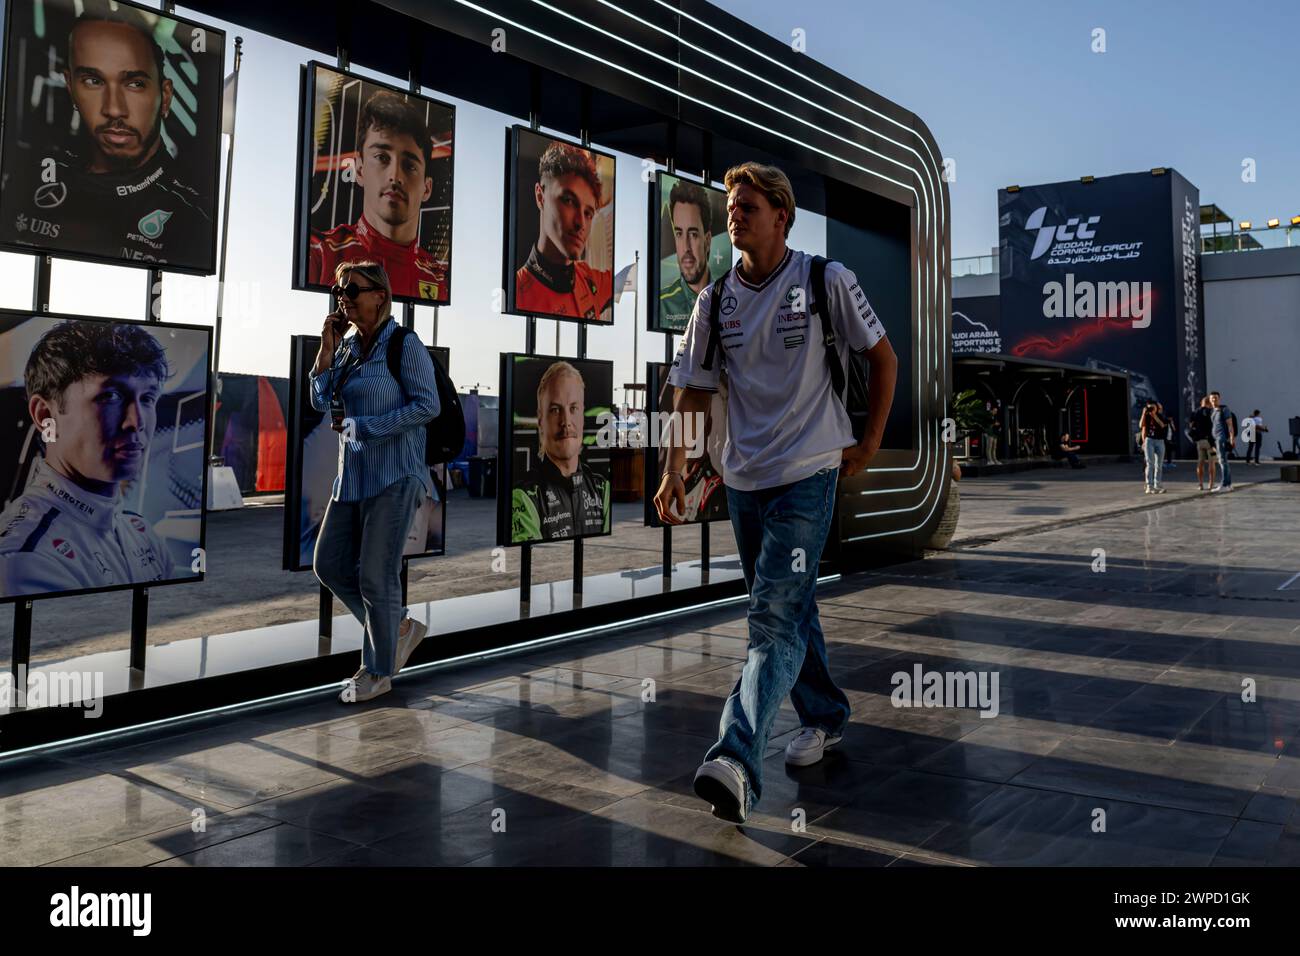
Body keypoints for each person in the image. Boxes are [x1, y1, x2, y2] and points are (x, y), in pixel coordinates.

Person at [655, 161, 898, 824]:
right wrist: (677, 467)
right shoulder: (713, 300)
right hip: (743, 479)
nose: (734, 216)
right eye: (731, 208)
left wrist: (868, 442)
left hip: (810, 471)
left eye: (747, 208)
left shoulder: (825, 279)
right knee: (788, 608)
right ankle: (825, 713)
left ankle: (735, 758)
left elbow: (883, 358)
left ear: (781, 216)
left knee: (771, 616)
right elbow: (691, 388)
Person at [309, 260, 440, 703]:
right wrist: (326, 349)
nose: (342, 297)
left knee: (376, 576)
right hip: (352, 476)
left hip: (396, 474)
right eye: (339, 289)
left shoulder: (405, 344)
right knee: (327, 563)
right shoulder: (346, 350)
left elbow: (427, 407)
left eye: (352, 289)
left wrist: (367, 427)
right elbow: (318, 399)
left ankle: (378, 671)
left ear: (380, 295)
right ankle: (399, 626)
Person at [3, 9, 212, 265]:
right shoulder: (25, 176)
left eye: (135, 83)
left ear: (165, 96)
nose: (114, 108)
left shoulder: (194, 218)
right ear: (70, 88)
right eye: (93, 81)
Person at [0, 320, 176, 597]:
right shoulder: (25, 560)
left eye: (148, 398)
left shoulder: (143, 534)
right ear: (45, 416)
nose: (136, 422)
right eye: (112, 396)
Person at [308, 91, 449, 301]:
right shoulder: (319, 253)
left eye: (409, 165)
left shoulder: (439, 278)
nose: (395, 176)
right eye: (382, 157)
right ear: (360, 169)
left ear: (427, 188)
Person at [510, 361, 611, 541]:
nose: (566, 421)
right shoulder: (524, 496)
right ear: (540, 421)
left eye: (573, 408)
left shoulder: (602, 489)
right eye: (555, 410)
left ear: (582, 416)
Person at [515, 140, 613, 321]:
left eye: (588, 213)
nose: (580, 223)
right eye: (568, 201)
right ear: (540, 196)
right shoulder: (516, 292)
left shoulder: (589, 277)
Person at [658, 179, 716, 330]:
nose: (686, 247)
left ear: (708, 240)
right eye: (679, 234)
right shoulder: (662, 305)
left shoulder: (728, 302)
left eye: (693, 234)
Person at [1208, 390, 1235, 492]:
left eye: (1215, 398)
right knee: (1223, 461)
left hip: (1221, 438)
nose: (1213, 400)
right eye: (1212, 398)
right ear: (1210, 400)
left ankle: (1224, 484)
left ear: (1219, 398)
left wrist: (1232, 437)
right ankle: (1228, 484)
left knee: (1222, 461)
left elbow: (1230, 424)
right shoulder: (1212, 411)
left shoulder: (1224, 409)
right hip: (1216, 439)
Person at [1188, 395, 1214, 491]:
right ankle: (1211, 484)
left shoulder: (1195, 412)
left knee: (1200, 462)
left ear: (1201, 403)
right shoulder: (1211, 412)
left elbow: (1191, 426)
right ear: (1209, 403)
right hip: (1211, 442)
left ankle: (1200, 484)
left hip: (1200, 441)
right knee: (1212, 462)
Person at [1139, 401, 1165, 493]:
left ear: (1156, 408)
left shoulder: (1160, 416)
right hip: (1149, 440)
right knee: (1150, 464)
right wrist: (1143, 414)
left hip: (1160, 441)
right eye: (1149, 408)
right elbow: (1141, 426)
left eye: (1153, 408)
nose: (1151, 410)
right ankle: (1149, 486)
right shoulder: (1146, 416)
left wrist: (1154, 415)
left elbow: (1162, 425)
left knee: (1159, 465)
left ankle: (1157, 484)